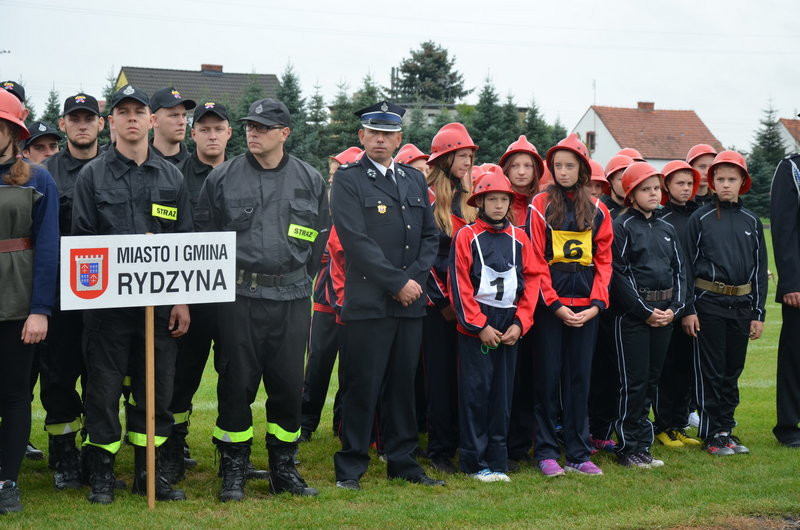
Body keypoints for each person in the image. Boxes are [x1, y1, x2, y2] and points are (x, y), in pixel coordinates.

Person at [196, 98, 329, 501]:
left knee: (288, 385)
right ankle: (233, 467)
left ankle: (283, 467)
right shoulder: (223, 178)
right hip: (239, 297)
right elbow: (206, 235)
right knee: (236, 383)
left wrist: (294, 278)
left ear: (284, 133)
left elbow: (320, 237)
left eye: (263, 127)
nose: (253, 132)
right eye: (250, 126)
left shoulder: (310, 179)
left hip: (291, 297)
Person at [72, 84, 192, 504]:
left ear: (151, 120)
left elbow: (184, 244)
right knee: (102, 392)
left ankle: (149, 473)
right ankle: (102, 473)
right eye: (122, 112)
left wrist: (181, 300)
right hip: (108, 310)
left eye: (138, 111)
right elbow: (83, 243)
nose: (132, 118)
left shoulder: (172, 176)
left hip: (158, 310)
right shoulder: (93, 175)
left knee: (155, 391)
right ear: (112, 123)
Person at [331, 101, 440, 490]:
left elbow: (429, 236)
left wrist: (412, 280)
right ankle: (351, 467)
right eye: (373, 132)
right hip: (369, 304)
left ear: (398, 139)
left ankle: (403, 462)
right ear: (361, 137)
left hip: (409, 305)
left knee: (402, 386)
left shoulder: (413, 179)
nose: (380, 139)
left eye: (387, 133)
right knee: (362, 385)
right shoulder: (348, 179)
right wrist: (397, 282)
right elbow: (356, 242)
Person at [528, 133, 612, 476]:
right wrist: (554, 305)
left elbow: (605, 263)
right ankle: (546, 451)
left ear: (582, 169)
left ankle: (578, 452)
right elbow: (534, 260)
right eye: (558, 166)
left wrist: (595, 305)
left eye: (570, 166)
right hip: (552, 311)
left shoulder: (599, 211)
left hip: (587, 311)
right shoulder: (539, 205)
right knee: (547, 381)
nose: (563, 172)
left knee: (580, 381)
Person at [449, 167, 540, 482]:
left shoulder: (520, 237)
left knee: (502, 396)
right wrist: (479, 326)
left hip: (510, 326)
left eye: (504, 199)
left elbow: (531, 282)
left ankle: (497, 460)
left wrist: (521, 323)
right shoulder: (467, 236)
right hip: (478, 329)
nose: (499, 205)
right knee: (477, 395)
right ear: (480, 202)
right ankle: (475, 462)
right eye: (492, 199)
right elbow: (460, 286)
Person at [161, 101, 234, 483]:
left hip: (235, 297)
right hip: (191, 295)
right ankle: (174, 449)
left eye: (217, 128)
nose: (210, 134)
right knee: (182, 376)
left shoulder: (244, 174)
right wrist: (179, 296)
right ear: (193, 134)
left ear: (228, 134)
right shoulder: (174, 176)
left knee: (235, 375)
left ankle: (230, 454)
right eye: (203, 128)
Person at [681, 150, 767, 456]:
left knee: (733, 371)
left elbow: (759, 269)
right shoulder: (699, 219)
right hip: (709, 305)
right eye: (721, 179)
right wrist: (689, 309)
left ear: (743, 182)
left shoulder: (751, 221)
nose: (726, 184)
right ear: (712, 182)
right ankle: (710, 434)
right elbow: (687, 268)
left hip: (741, 307)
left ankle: (726, 429)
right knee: (712, 372)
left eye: (732, 179)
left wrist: (758, 313)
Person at [40, 92, 104, 490]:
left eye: (89, 118)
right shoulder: (44, 173)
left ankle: (98, 452)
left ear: (101, 124)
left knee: (103, 377)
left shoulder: (117, 169)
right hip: (61, 293)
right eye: (74, 118)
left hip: (104, 295)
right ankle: (63, 453)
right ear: (62, 124)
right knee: (58, 376)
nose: (82, 124)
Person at [0, 88, 59, 514]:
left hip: (19, 307)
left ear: (13, 132)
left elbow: (48, 248)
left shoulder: (38, 179)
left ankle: (6, 482)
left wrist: (40, 310)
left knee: (16, 396)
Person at [611, 162, 686, 468]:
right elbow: (618, 274)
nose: (653, 193)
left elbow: (680, 272)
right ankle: (628, 447)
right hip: (634, 317)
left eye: (656, 188)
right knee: (634, 382)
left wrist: (673, 310)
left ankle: (644, 443)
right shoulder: (622, 226)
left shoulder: (667, 228)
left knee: (652, 381)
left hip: (664, 315)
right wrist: (644, 312)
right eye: (645, 189)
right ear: (631, 194)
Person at [421, 122, 478, 474]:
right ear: (445, 158)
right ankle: (439, 450)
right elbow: (422, 260)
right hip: (438, 310)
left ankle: (462, 442)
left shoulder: (471, 201)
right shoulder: (426, 200)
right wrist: (444, 304)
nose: (469, 161)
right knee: (439, 380)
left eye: (471, 156)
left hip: (469, 309)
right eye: (463, 155)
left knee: (465, 379)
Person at [300, 146, 362, 442]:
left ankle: (342, 423)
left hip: (356, 304)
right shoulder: (321, 208)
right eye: (331, 172)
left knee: (352, 368)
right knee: (318, 364)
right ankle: (306, 423)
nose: (332, 178)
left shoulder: (360, 208)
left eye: (337, 172)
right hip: (325, 302)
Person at [497, 134, 544, 468]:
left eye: (529, 165)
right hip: (502, 305)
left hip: (541, 303)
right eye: (516, 165)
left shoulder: (544, 205)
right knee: (504, 379)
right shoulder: (496, 202)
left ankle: (523, 443)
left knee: (531, 376)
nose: (522, 171)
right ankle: (503, 442)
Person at [653, 160, 703, 448]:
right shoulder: (661, 218)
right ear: (666, 186)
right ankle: (663, 425)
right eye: (679, 183)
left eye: (689, 184)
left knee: (686, 365)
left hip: (694, 300)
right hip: (671, 302)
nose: (685, 189)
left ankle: (680, 422)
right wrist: (680, 306)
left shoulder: (698, 215)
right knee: (666, 367)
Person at [587, 153, 634, 451]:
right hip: (593, 302)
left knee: (615, 373)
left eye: (597, 188)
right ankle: (588, 427)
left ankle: (606, 427)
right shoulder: (604, 214)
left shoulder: (616, 216)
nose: (593, 193)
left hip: (618, 306)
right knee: (594, 373)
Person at [770, 148, 800, 448]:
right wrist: (791, 283)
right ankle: (789, 426)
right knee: (795, 356)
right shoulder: (791, 169)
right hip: (799, 287)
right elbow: (783, 228)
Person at [149, 87, 196, 165]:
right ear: (154, 120)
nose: (182, 122)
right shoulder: (137, 163)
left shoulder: (195, 167)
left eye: (184, 115)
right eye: (174, 115)